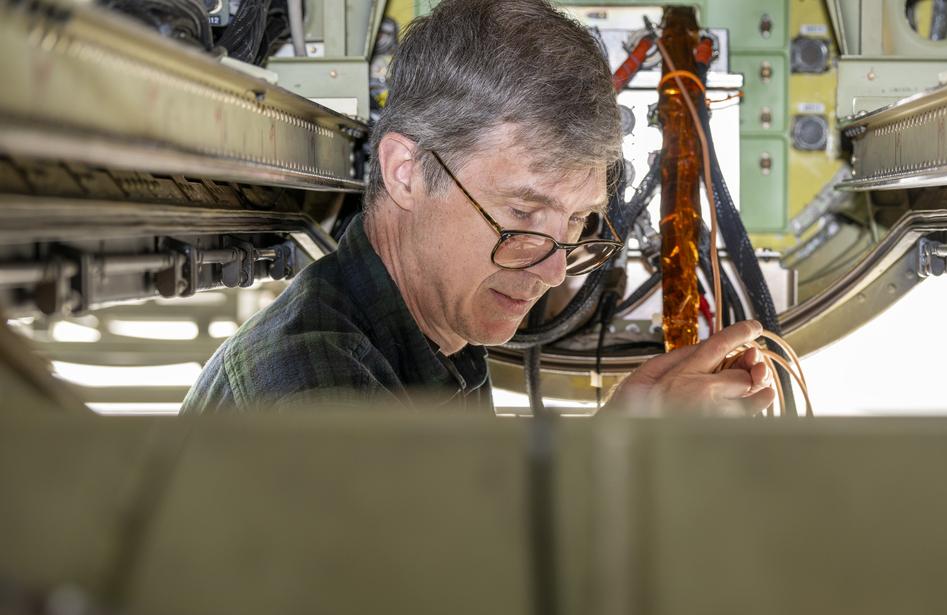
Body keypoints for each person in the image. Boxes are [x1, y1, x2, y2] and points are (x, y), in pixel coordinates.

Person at [182, 0, 774, 415]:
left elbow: (454, 535)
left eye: (575, 222)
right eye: (521, 217)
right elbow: (441, 590)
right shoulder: (311, 386)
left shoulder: (439, 342)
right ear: (406, 173)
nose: (554, 270)